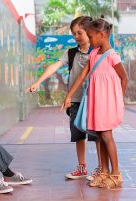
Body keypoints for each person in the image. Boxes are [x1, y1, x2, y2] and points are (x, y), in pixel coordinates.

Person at [27, 16, 102, 180]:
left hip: (92, 101)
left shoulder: (96, 52)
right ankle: (82, 167)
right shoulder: (71, 53)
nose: (76, 36)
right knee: (78, 135)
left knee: (96, 137)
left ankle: (101, 168)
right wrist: (38, 82)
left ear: (88, 31)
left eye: (79, 33)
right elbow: (54, 66)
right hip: (75, 101)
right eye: (73, 33)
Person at [62, 18, 128, 189]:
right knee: (100, 135)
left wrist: (118, 100)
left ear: (102, 35)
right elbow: (82, 76)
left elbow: (124, 77)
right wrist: (69, 95)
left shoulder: (112, 56)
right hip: (96, 103)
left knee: (107, 136)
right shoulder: (93, 54)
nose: (89, 41)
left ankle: (116, 174)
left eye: (91, 37)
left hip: (108, 104)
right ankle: (104, 172)